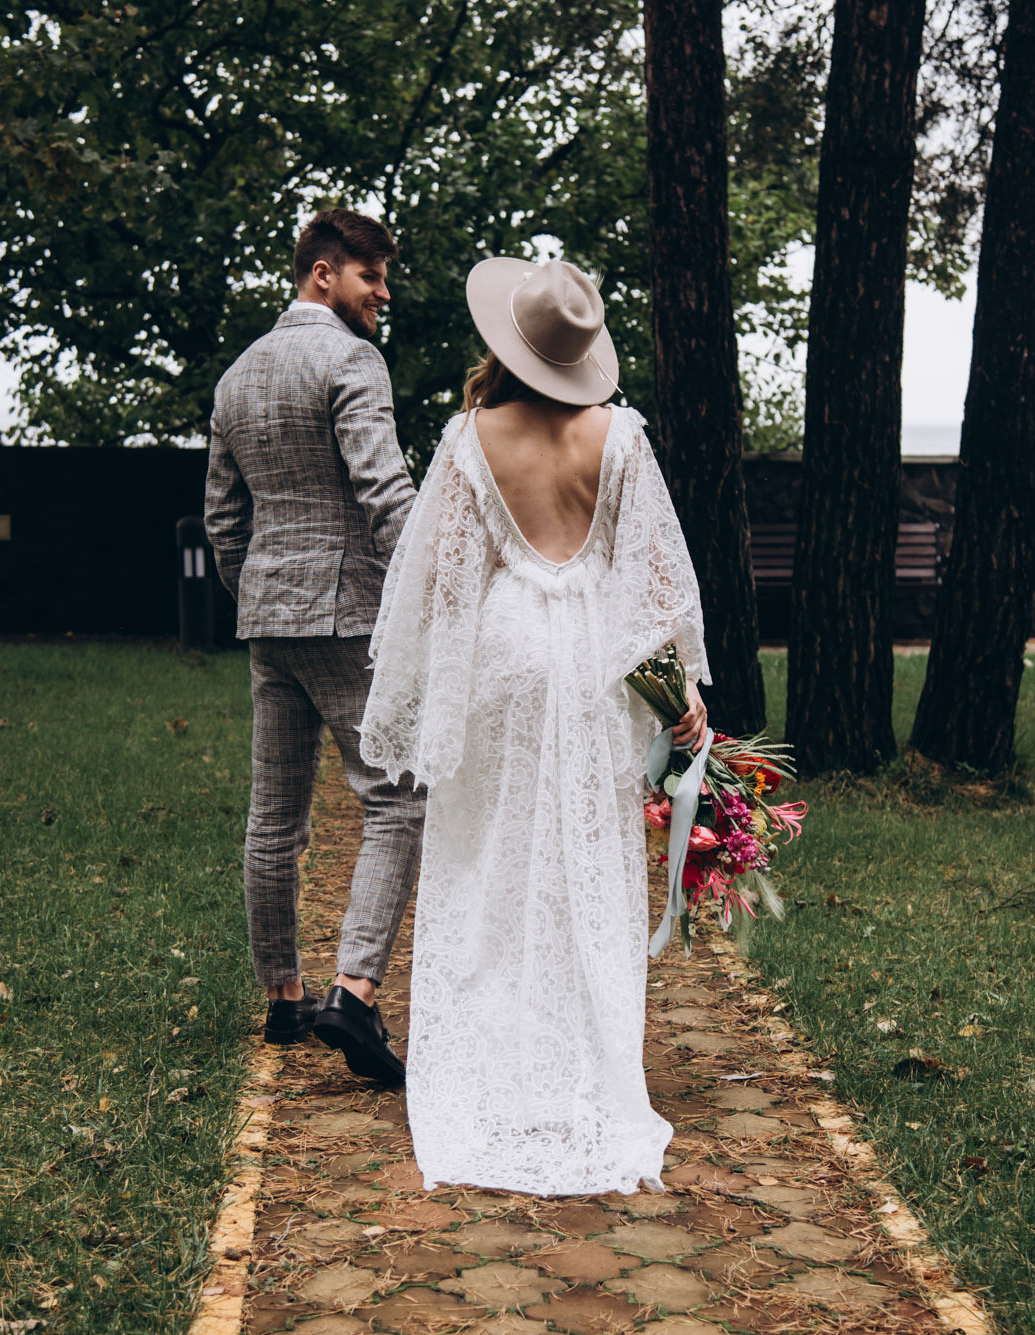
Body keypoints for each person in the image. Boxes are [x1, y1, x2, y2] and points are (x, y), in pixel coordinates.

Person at [359, 257, 711, 1195]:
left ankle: (498, 1061)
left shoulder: (471, 439)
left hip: (505, 660)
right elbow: (659, 589)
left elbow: (443, 588)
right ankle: (584, 1061)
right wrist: (679, 695)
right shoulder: (621, 439)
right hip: (595, 664)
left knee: (496, 857)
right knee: (584, 857)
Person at [204, 209, 424, 1085]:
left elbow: (226, 520)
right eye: (371, 277)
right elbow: (384, 488)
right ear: (324, 274)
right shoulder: (350, 359)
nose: (382, 295)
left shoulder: (237, 376)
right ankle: (355, 991)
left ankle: (284, 995)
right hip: (348, 614)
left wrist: (256, 594)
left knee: (275, 815)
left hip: (266, 616)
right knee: (399, 798)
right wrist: (428, 589)